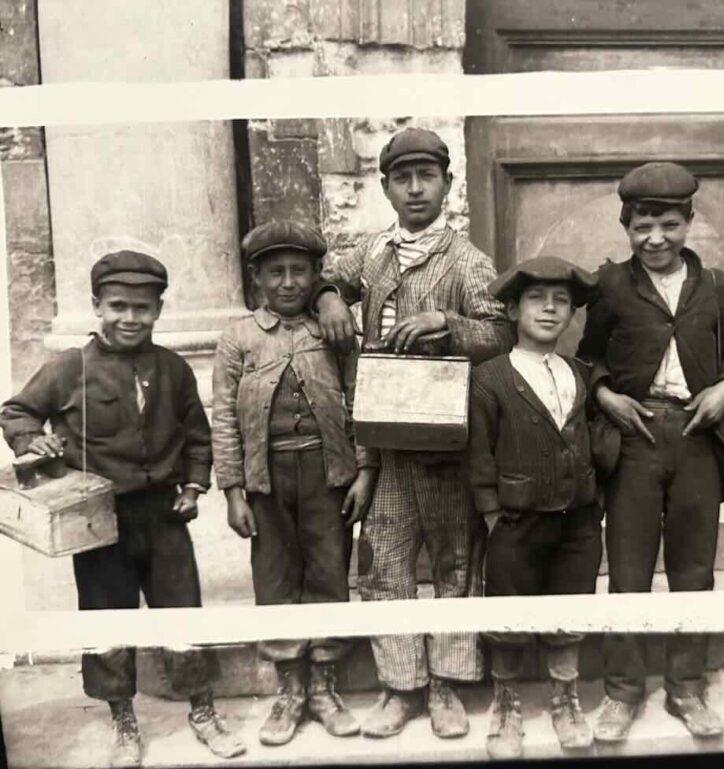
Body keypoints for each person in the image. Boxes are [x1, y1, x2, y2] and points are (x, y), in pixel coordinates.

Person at [0, 251, 245, 766]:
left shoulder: (174, 369)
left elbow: (198, 438)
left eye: (142, 308)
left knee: (183, 615)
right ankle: (124, 722)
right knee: (107, 620)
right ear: (97, 306)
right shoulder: (70, 368)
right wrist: (31, 442)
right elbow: (17, 411)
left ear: (159, 310)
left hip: (164, 516)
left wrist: (193, 488)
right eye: (117, 306)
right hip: (98, 522)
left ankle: (203, 711)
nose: (130, 318)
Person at [310, 126, 514, 739]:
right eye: (403, 179)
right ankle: (402, 687)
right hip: (384, 446)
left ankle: (447, 684)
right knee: (384, 565)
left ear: (448, 185)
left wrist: (446, 322)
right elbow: (325, 277)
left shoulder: (468, 261)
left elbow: (501, 333)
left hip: (447, 444)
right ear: (386, 188)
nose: (416, 189)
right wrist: (329, 298)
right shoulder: (371, 253)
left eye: (428, 177)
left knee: (456, 564)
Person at [577, 161, 724, 742]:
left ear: (689, 222)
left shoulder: (718, 285)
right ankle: (623, 690)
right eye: (642, 226)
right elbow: (589, 356)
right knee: (628, 570)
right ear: (626, 227)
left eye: (669, 225)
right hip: (635, 438)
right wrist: (605, 395)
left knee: (694, 570)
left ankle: (686, 687)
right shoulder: (609, 285)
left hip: (697, 436)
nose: (655, 239)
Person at [212, 220, 365, 746]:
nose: (287, 282)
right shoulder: (238, 338)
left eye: (299, 271)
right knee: (275, 579)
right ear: (256, 277)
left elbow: (359, 399)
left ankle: (323, 687)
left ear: (316, 274)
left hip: (327, 475)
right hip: (267, 480)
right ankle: (290, 690)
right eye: (275, 272)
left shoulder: (334, 331)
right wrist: (233, 491)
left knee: (328, 572)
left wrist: (364, 472)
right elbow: (224, 419)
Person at [469, 256, 601, 759]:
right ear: (511, 310)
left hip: (577, 522)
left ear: (572, 313)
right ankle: (506, 703)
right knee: (509, 612)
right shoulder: (490, 378)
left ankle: (565, 698)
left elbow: (591, 439)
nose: (549, 309)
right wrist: (492, 515)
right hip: (516, 521)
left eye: (561, 301)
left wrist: (593, 502)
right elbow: (479, 454)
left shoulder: (579, 373)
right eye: (536, 299)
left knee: (570, 607)